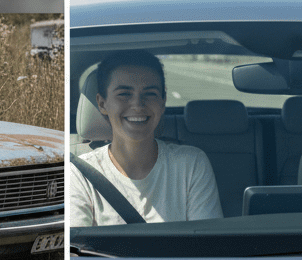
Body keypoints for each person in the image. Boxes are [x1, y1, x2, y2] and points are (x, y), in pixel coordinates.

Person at [70, 50, 223, 226]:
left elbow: (205, 245)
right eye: (124, 94)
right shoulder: (79, 174)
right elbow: (76, 251)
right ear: (102, 104)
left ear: (163, 101)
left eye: (149, 93)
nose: (137, 105)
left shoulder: (191, 164)